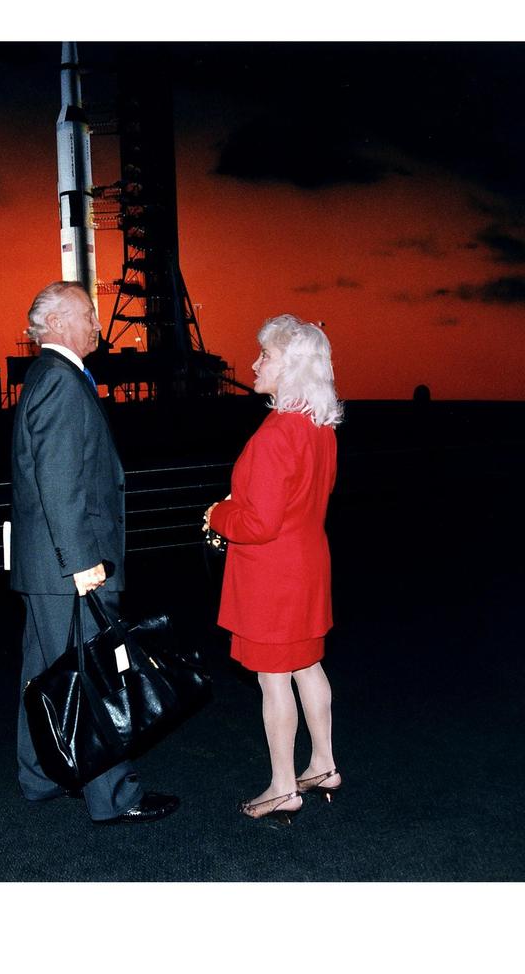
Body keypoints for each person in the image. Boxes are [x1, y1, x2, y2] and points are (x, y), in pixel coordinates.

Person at [10, 280, 180, 824]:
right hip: (74, 565)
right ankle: (113, 797)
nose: (97, 323)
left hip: (45, 566)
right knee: (98, 676)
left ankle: (38, 775)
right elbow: (60, 482)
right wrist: (85, 561)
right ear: (57, 323)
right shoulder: (61, 382)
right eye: (87, 313)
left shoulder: (47, 376)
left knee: (43, 672)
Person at [203, 314, 344, 823]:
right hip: (308, 563)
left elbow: (258, 523)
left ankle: (284, 787)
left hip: (273, 574)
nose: (256, 363)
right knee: (307, 665)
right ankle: (324, 764)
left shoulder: (275, 434)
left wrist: (217, 513)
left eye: (266, 355)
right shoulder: (319, 428)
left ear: (291, 368)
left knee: (273, 679)